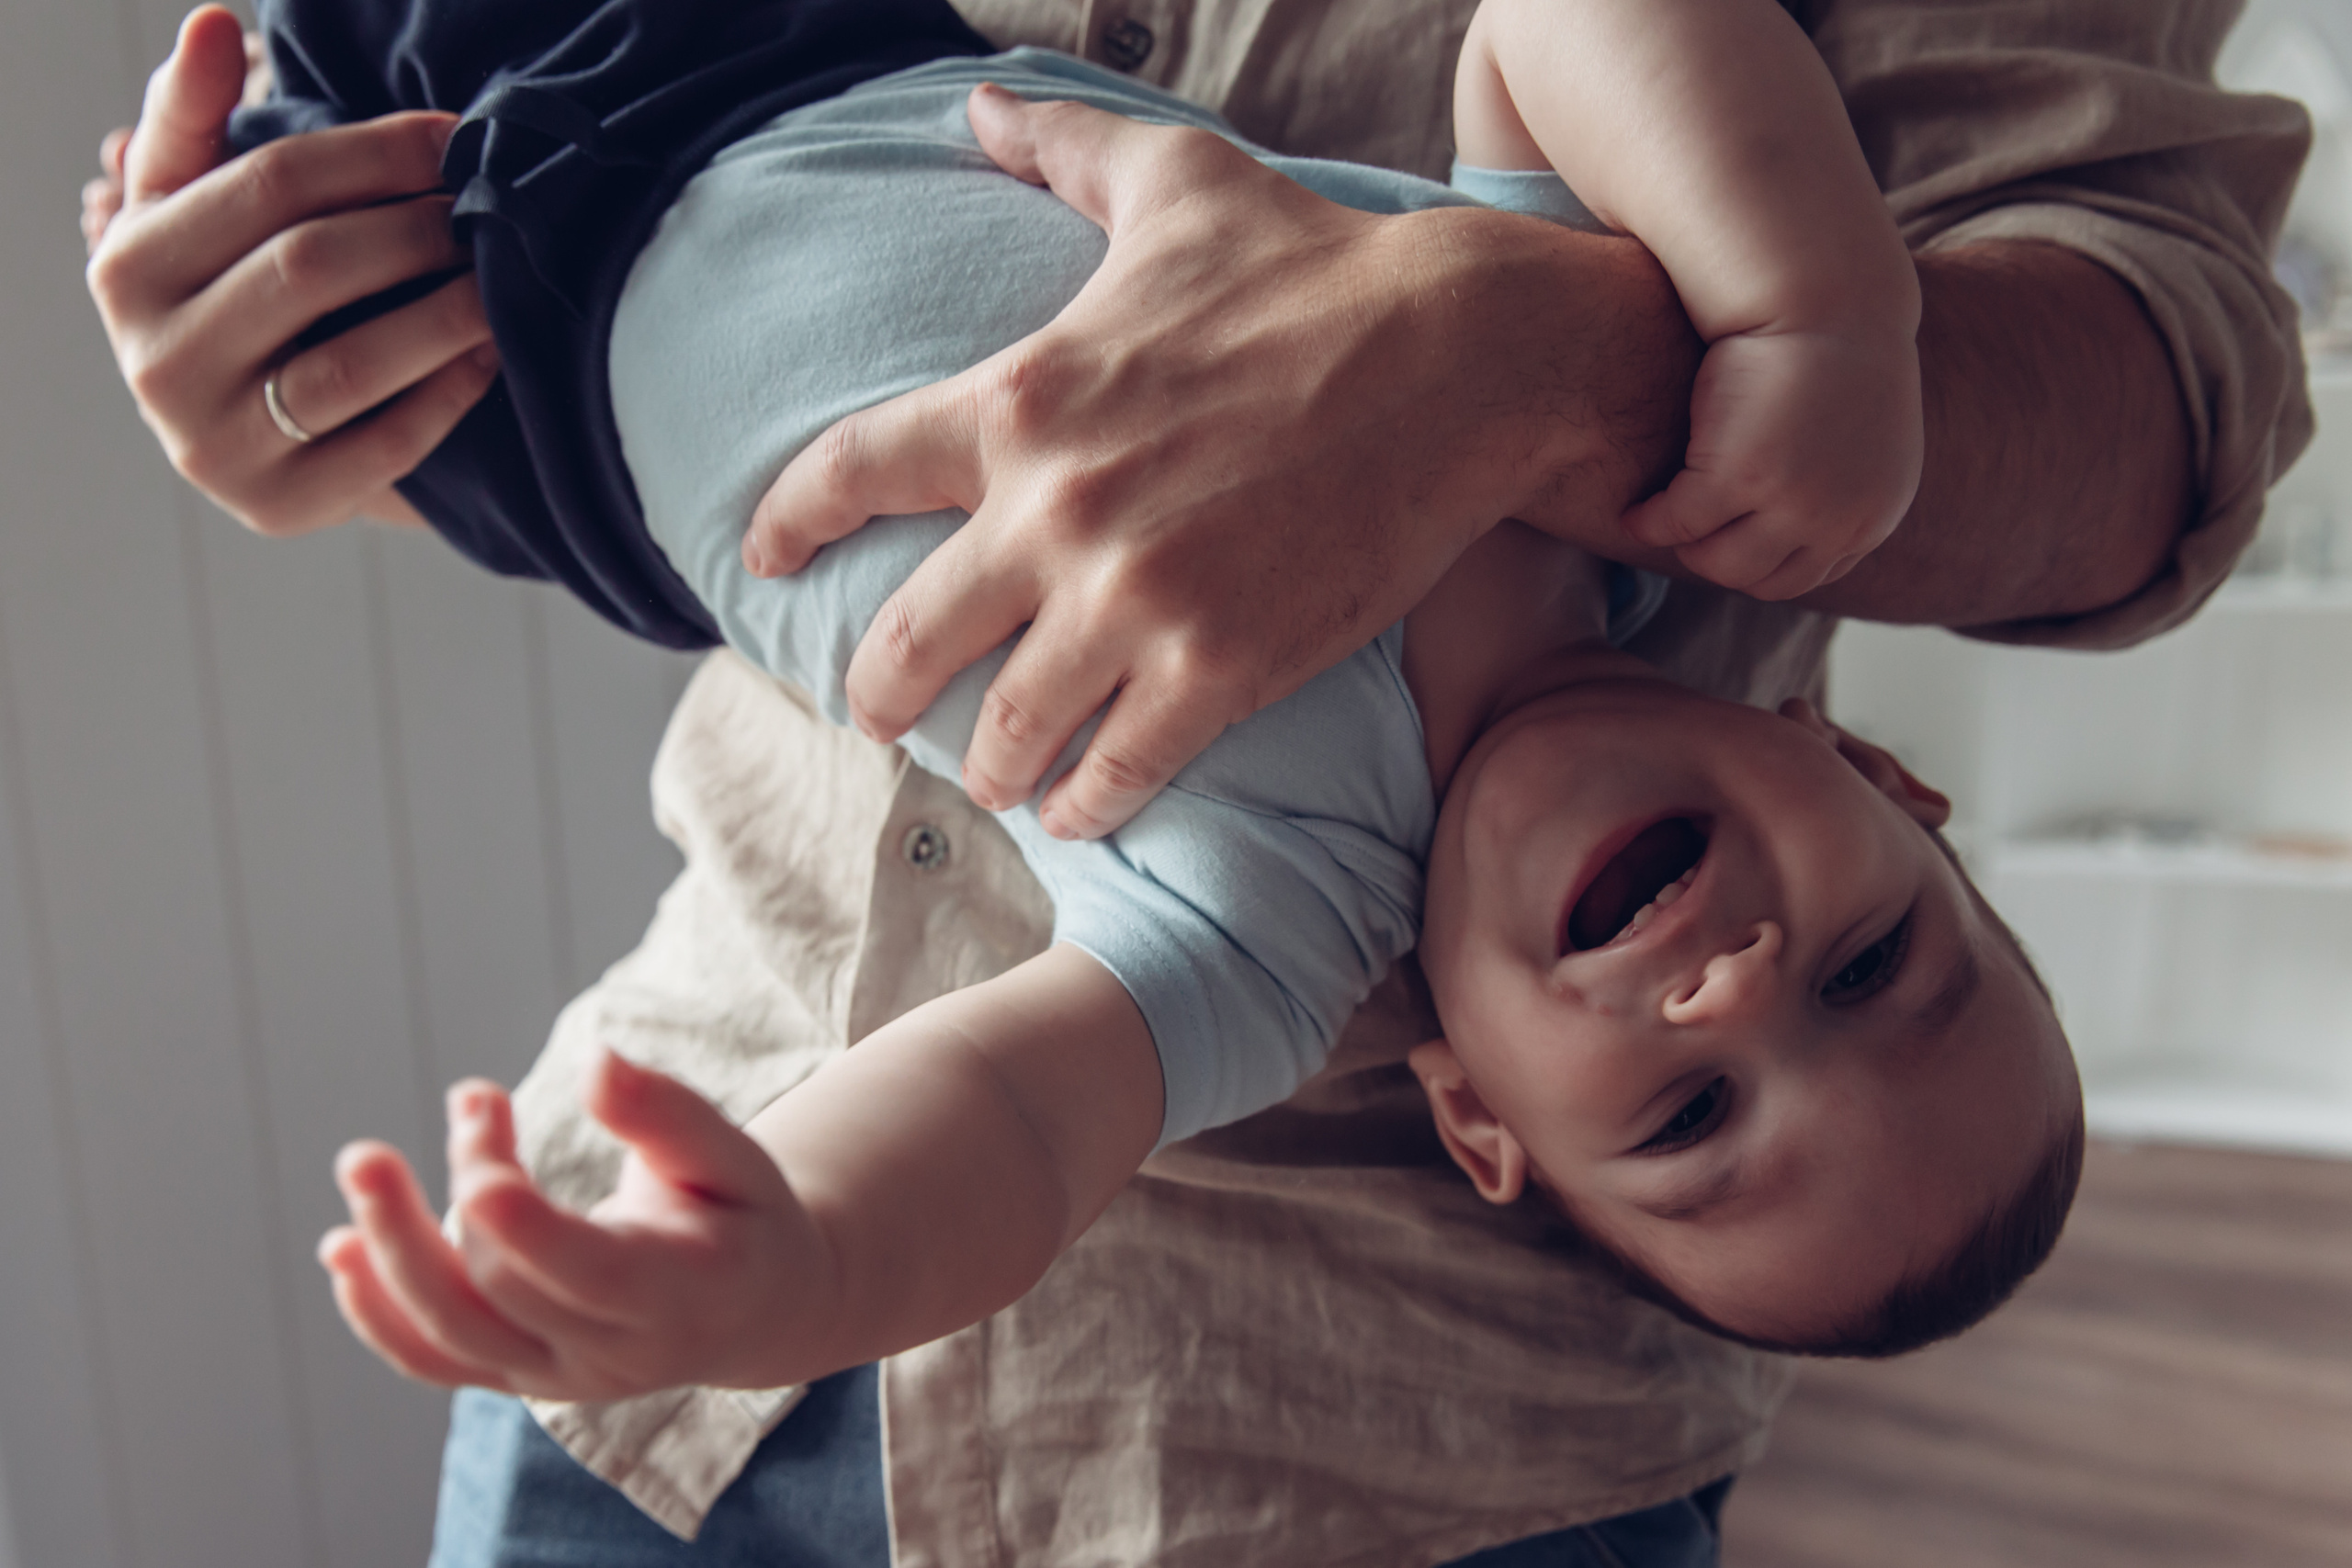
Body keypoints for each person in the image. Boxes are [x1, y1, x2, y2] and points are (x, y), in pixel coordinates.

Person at [82, 2, 2310, 1563]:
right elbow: (1557, 22)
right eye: (1866, 965)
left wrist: (792, 1253)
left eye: (1688, 1117)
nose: (1734, 984)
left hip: (560, 416)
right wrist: (1799, 326)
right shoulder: (1569, 469)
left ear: (1473, 1111)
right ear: (1882, 781)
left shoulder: (1274, 918)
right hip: (772, 62)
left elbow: (1019, 1118)